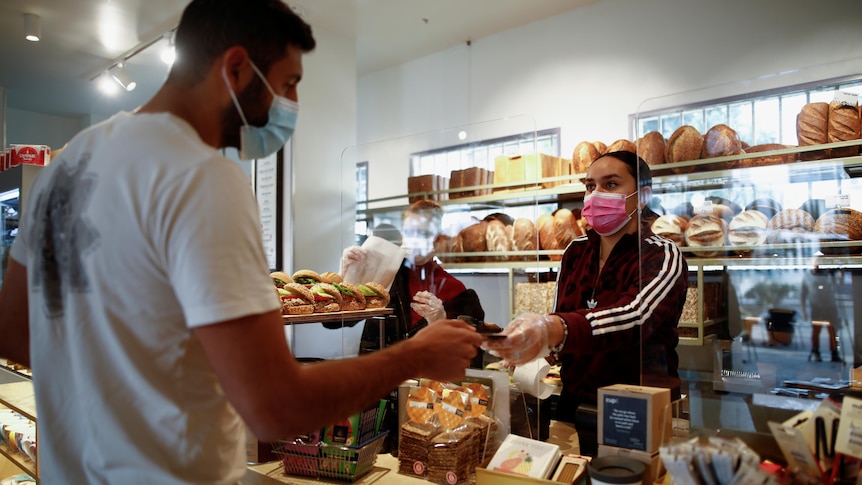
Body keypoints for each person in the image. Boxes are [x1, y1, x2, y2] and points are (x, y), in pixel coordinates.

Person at [0, 1, 483, 483]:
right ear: (235, 68)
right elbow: (276, 406)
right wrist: (414, 356)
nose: (292, 103)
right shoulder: (201, 177)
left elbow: (17, 334)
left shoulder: (69, 163)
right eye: (289, 83)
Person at [483, 150, 688, 455]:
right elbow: (564, 320)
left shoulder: (662, 255)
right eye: (591, 186)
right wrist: (532, 346)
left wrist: (554, 329)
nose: (596, 194)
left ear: (642, 196)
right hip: (575, 402)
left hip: (639, 404)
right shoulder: (575, 252)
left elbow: (635, 316)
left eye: (611, 184)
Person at [346, 199, 487, 366]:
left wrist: (440, 321)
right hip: (378, 379)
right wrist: (350, 273)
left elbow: (471, 358)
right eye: (408, 232)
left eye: (422, 233)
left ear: (437, 240)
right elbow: (338, 322)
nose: (413, 240)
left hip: (426, 386)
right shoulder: (386, 276)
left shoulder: (456, 291)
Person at [800, 254, 843, 362]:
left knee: (833, 331)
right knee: (816, 331)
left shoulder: (829, 275)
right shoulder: (807, 276)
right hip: (816, 307)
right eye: (815, 262)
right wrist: (804, 311)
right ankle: (815, 351)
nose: (817, 264)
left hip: (830, 306)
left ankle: (834, 353)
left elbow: (838, 285)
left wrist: (840, 273)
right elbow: (802, 295)